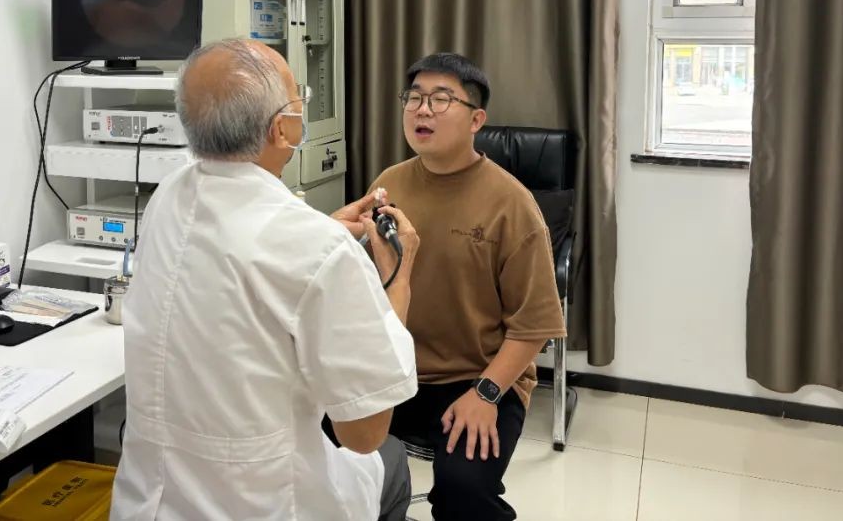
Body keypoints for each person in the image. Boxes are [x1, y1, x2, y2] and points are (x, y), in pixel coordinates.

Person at [111, 38, 420, 521]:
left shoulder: (167, 195)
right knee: (391, 459)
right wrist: (396, 277)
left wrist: (324, 235)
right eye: (299, 98)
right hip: (267, 504)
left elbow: (234, 257)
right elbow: (363, 433)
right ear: (282, 128)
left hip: (149, 500)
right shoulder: (317, 248)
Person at [368, 52, 566, 521]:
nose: (422, 110)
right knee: (321, 449)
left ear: (477, 120)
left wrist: (486, 394)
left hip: (480, 376)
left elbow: (533, 326)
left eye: (441, 99)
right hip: (396, 369)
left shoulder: (512, 204)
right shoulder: (389, 184)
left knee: (463, 491)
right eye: (414, 97)